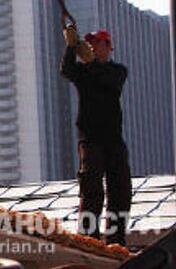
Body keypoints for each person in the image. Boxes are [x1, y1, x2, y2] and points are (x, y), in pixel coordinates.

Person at [61, 26, 131, 246]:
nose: (93, 46)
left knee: (119, 190)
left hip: (112, 138)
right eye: (90, 43)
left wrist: (90, 62)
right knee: (91, 190)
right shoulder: (83, 72)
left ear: (108, 47)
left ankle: (116, 240)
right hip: (90, 138)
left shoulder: (117, 71)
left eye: (98, 43)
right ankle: (88, 240)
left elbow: (108, 82)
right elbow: (67, 69)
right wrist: (71, 47)